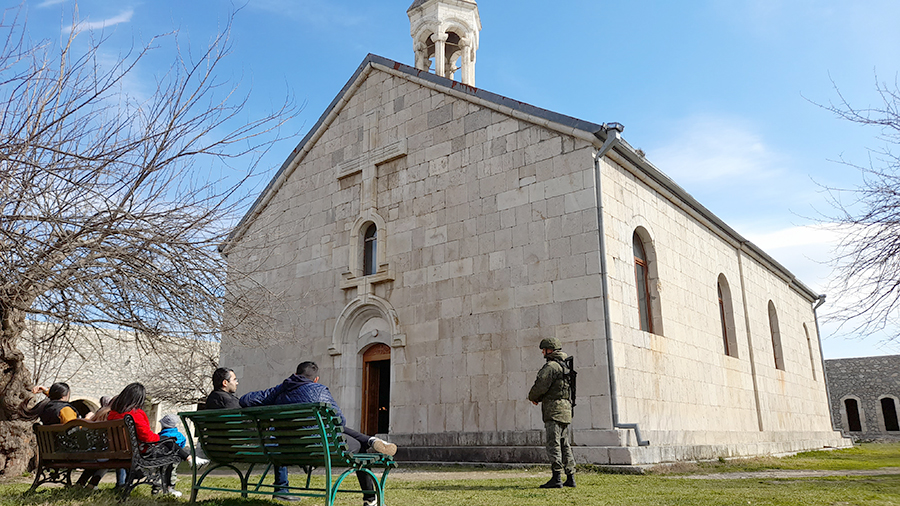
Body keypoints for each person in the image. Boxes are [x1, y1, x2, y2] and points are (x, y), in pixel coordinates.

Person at [240, 361, 397, 505]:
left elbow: (245, 400)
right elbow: (340, 421)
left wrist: (282, 386)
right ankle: (370, 498)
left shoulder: (280, 392)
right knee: (359, 446)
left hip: (286, 449)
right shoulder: (320, 390)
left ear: (295, 375)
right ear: (316, 379)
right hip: (322, 447)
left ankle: (369, 440)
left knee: (338, 434)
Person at [107, 383, 208, 497]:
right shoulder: (135, 414)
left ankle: (190, 459)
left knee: (168, 442)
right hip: (139, 452)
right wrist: (159, 438)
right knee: (170, 446)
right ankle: (170, 486)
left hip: (120, 451)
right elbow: (147, 437)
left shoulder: (112, 414)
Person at [527, 337, 576, 488]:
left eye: (544, 349)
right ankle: (570, 477)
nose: (542, 352)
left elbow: (540, 385)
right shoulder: (565, 365)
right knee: (564, 444)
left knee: (553, 444)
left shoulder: (552, 366)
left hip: (554, 411)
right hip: (565, 410)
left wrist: (533, 397)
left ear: (550, 350)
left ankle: (556, 478)